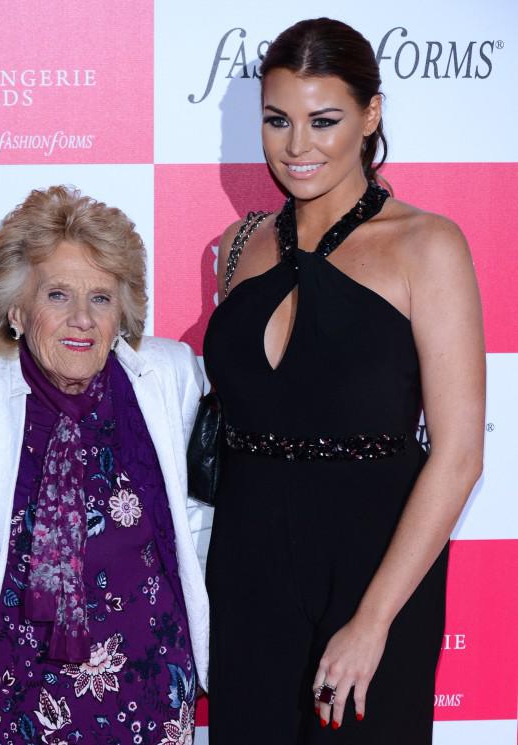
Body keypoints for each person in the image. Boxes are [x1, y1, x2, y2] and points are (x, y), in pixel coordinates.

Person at [201, 18, 485, 744]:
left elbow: (457, 454)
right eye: (276, 120)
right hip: (246, 569)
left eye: (322, 120)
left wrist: (373, 619)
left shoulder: (427, 245)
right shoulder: (236, 247)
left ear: (370, 114)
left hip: (370, 570)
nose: (297, 147)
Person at [0, 185, 208, 743]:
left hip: (147, 688)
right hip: (6, 692)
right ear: (16, 308)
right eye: (57, 295)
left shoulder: (168, 376)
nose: (82, 319)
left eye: (101, 299)